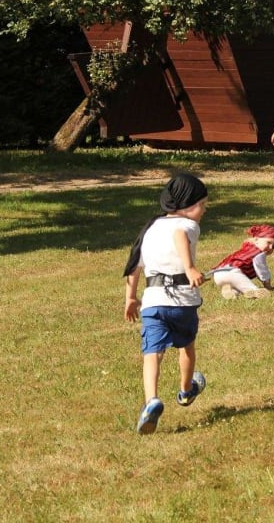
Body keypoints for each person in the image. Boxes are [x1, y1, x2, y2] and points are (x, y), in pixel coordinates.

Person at [123, 172, 210, 434]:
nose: (204, 211)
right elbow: (179, 237)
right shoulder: (187, 226)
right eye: (202, 206)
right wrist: (191, 267)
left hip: (152, 301)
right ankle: (185, 391)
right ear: (186, 205)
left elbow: (134, 266)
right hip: (182, 301)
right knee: (186, 347)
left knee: (152, 354)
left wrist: (130, 297)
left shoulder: (149, 229)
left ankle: (151, 401)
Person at [212, 224, 274, 300]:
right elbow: (262, 270)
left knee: (239, 285)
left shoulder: (247, 247)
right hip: (231, 272)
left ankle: (231, 291)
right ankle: (255, 292)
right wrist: (268, 285)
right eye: (269, 243)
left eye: (273, 246)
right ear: (257, 239)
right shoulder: (258, 253)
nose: (271, 248)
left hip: (218, 274)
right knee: (249, 287)